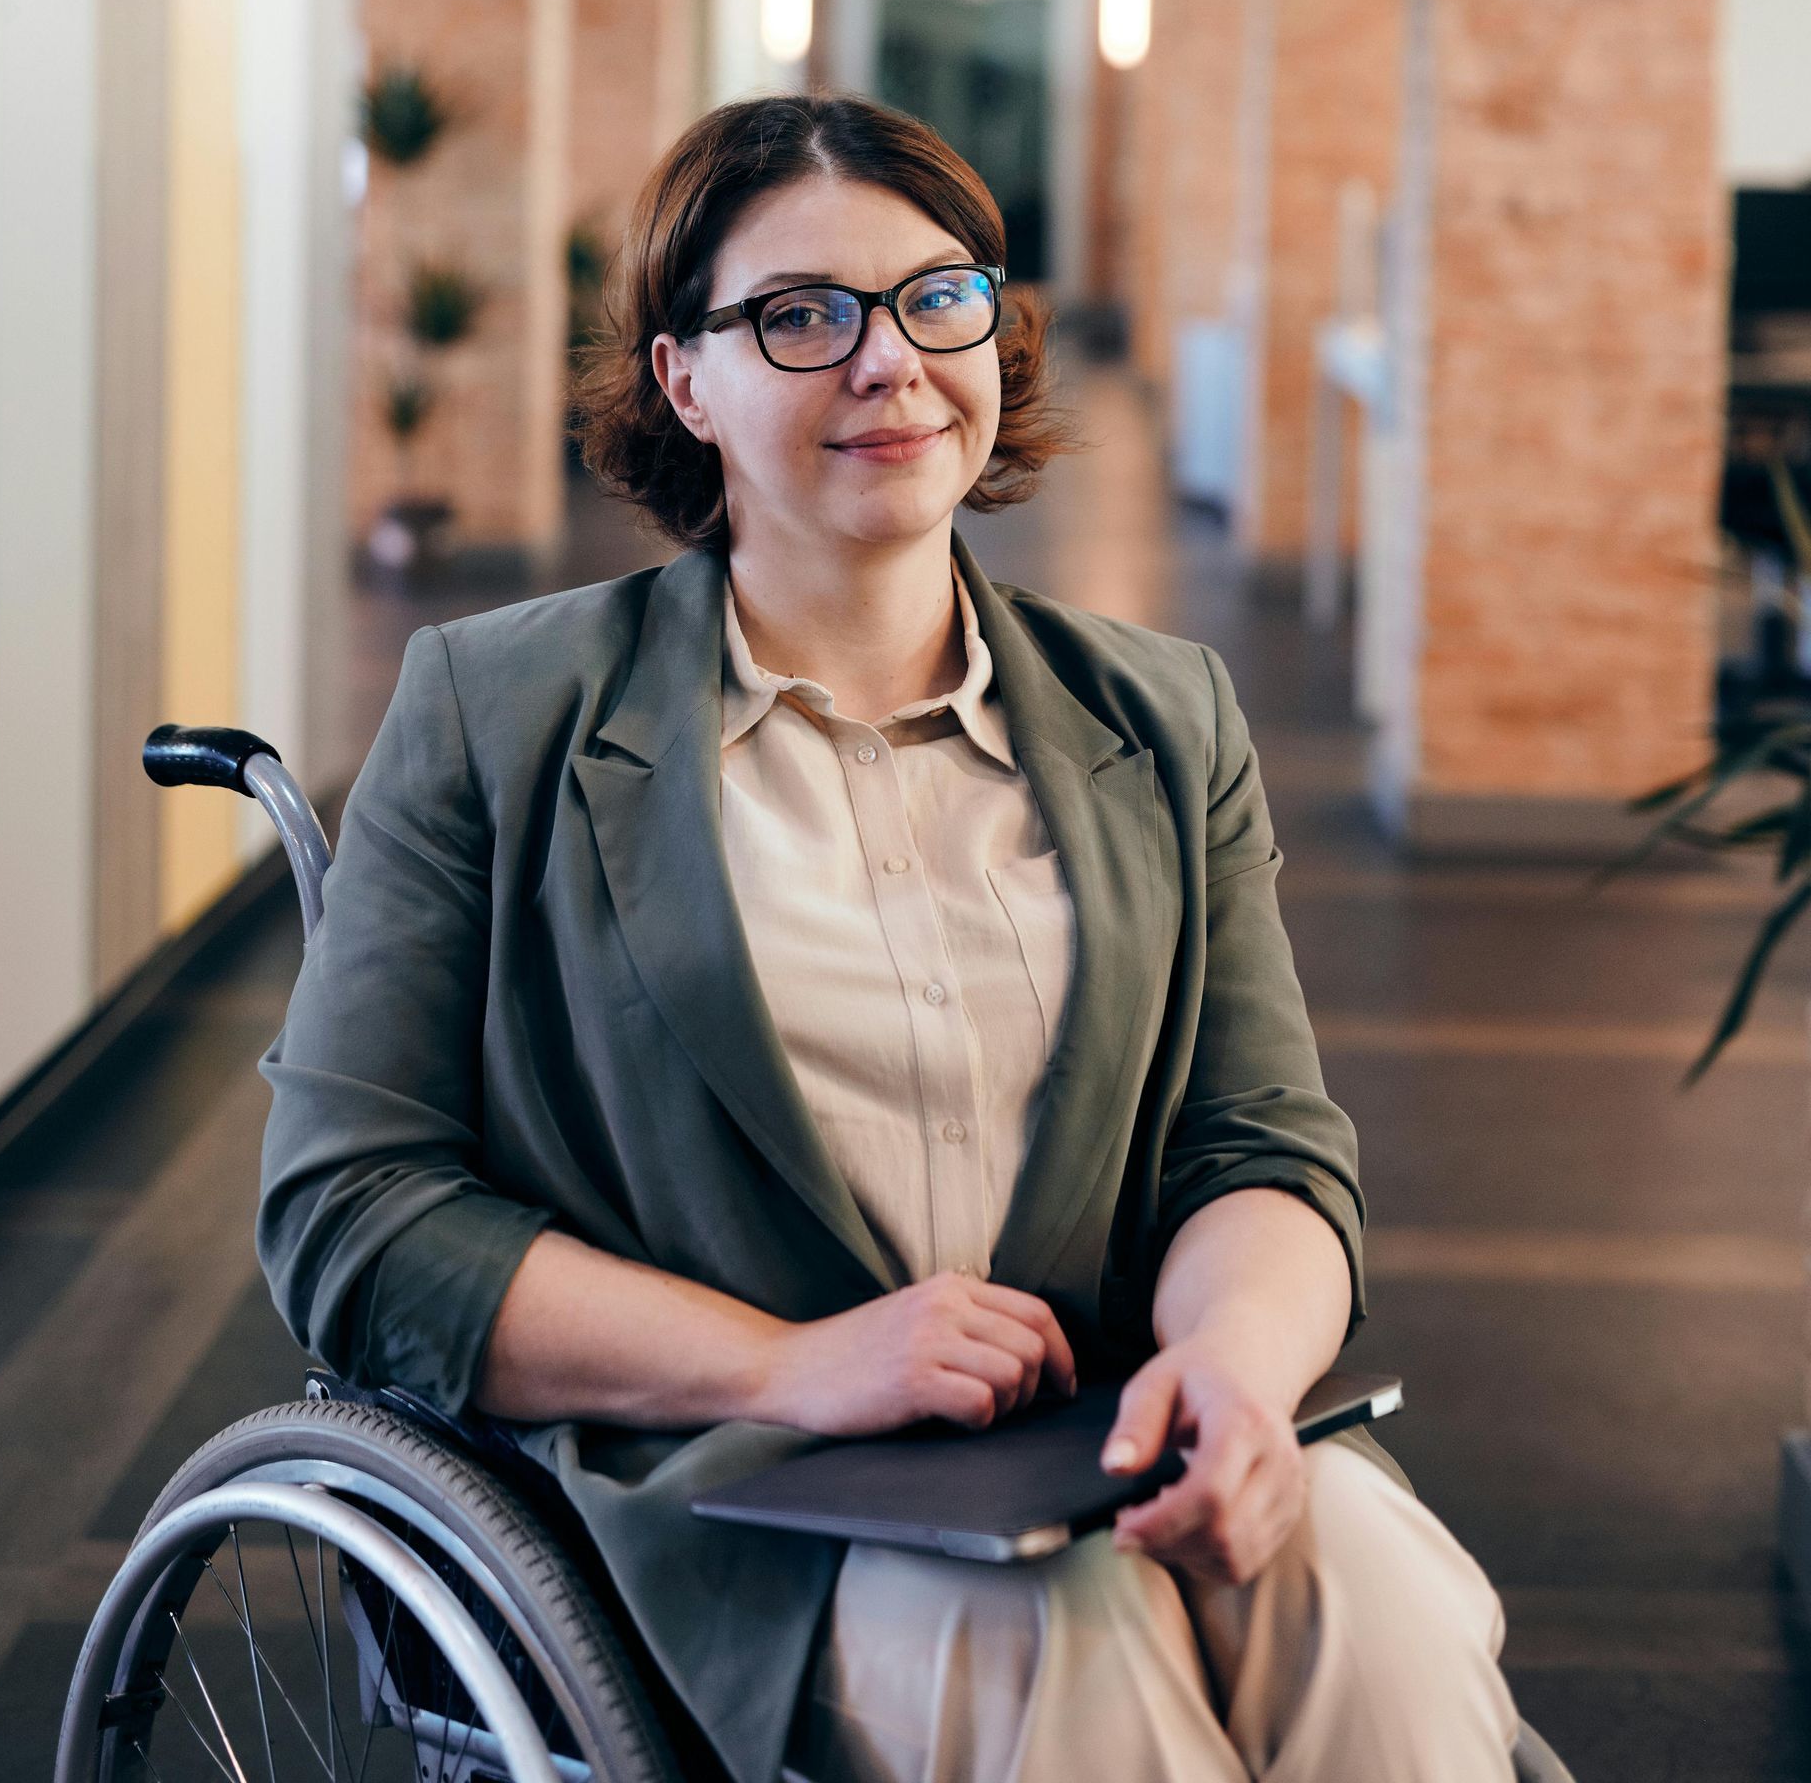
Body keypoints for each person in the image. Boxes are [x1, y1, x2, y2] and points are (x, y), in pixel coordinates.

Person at [259, 93, 1518, 1783]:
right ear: (682, 378)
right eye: (800, 315)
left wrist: (1232, 1360)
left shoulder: (1162, 714)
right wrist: (798, 1364)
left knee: (1384, 1605)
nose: (890, 360)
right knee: (1066, 1651)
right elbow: (353, 1212)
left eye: (939, 296)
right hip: (737, 1488)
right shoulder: (503, 713)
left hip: (1102, 1436)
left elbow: (1259, 1143)